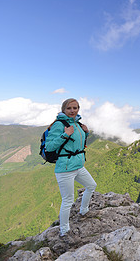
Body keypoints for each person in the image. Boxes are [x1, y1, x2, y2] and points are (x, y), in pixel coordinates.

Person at [45, 98, 97, 237]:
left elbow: (77, 144)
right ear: (64, 110)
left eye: (75, 108)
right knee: (68, 200)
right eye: (69, 108)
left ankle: (84, 211)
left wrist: (86, 133)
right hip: (65, 168)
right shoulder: (58, 125)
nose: (72, 111)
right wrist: (65, 134)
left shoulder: (78, 124)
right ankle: (64, 231)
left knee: (91, 185)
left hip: (78, 166)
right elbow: (49, 147)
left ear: (78, 109)